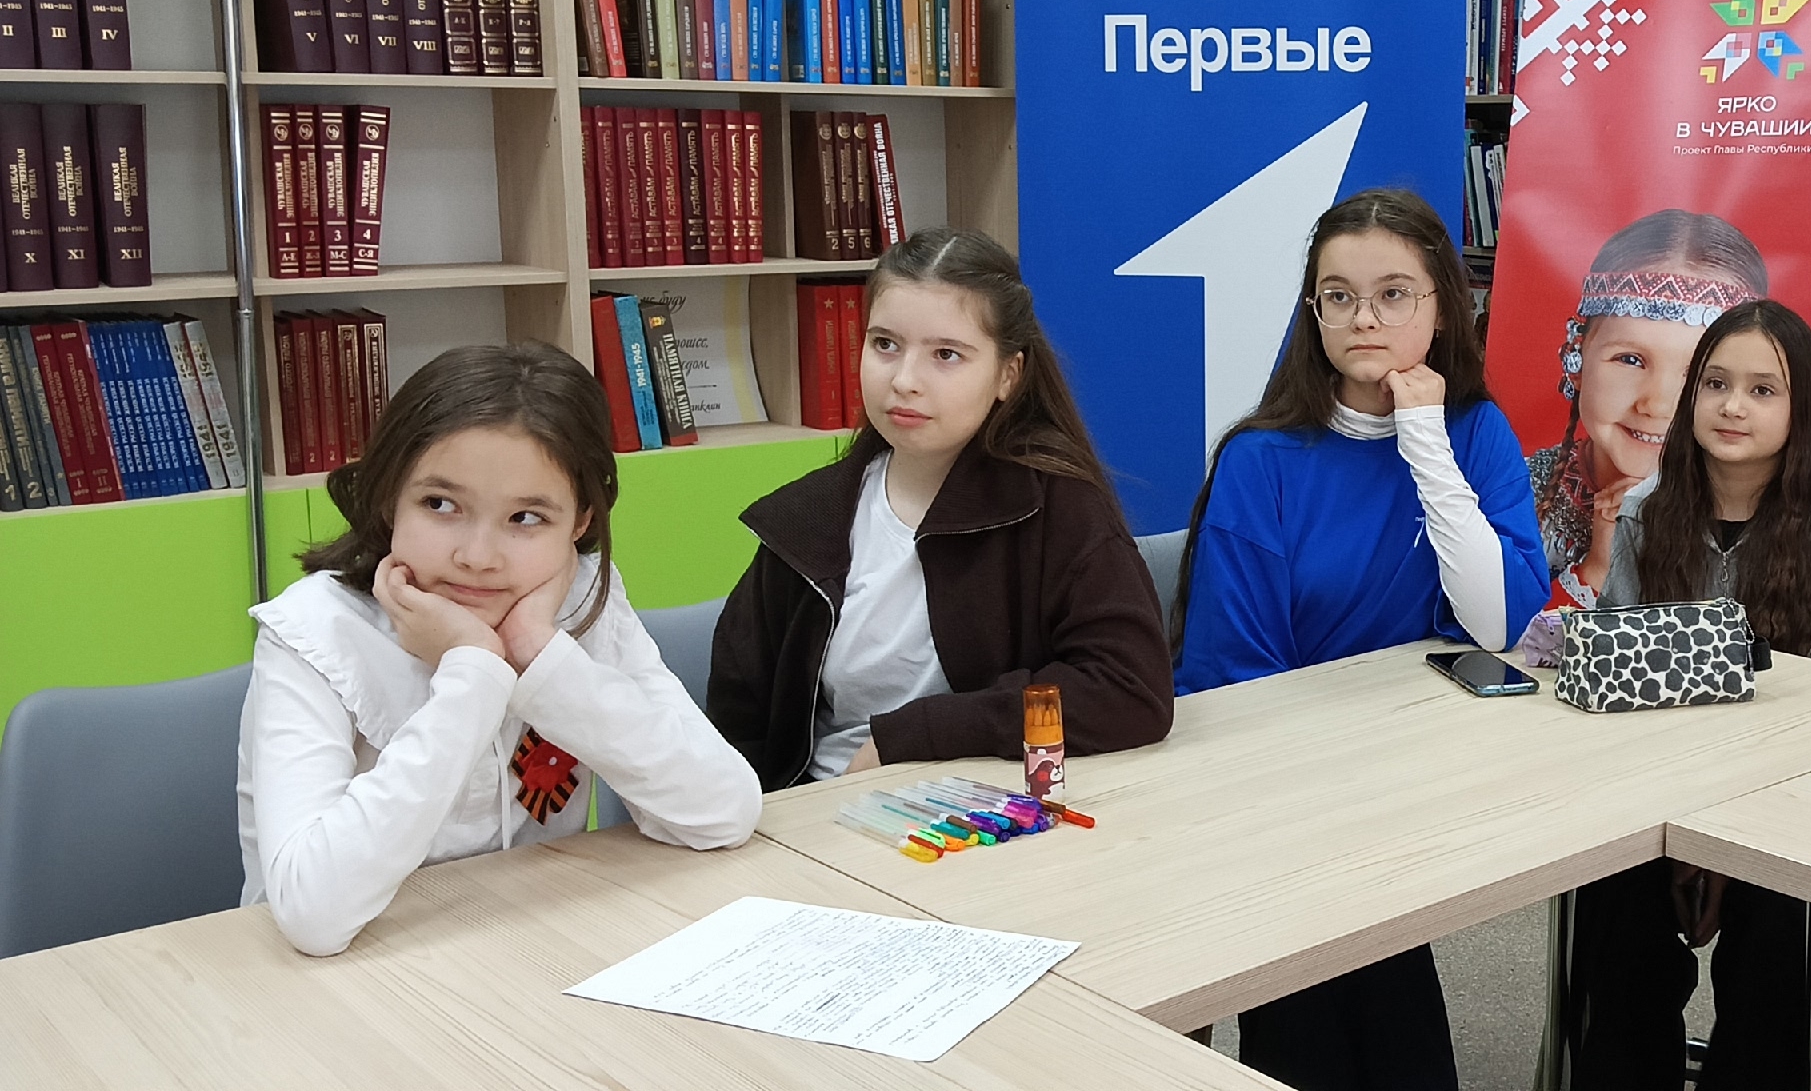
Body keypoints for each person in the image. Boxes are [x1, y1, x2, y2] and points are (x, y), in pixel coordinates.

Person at [1171, 188, 1548, 1091]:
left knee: (1379, 979)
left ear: (1442, 309)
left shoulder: (1472, 433)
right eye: (1338, 297)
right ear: (1314, 313)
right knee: (1325, 994)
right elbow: (1234, 676)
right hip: (1281, 787)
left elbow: (1498, 622)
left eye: (1392, 295)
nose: (1363, 318)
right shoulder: (1262, 459)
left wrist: (1422, 436)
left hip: (1412, 776)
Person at [238, 343, 762, 958]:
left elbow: (722, 812)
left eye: (526, 518)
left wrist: (540, 655)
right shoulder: (311, 631)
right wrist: (474, 672)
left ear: (580, 522)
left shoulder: (579, 599)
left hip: (527, 947)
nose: (478, 556)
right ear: (388, 496)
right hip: (344, 977)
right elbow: (313, 915)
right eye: (440, 505)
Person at [706, 227, 1173, 789]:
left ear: (1007, 374)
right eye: (885, 344)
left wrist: (916, 734)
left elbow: (1130, 690)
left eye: (946, 355)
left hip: (994, 809)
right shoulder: (803, 522)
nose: (904, 381)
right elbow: (735, 735)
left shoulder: (1058, 507)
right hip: (826, 806)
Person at [1560, 299, 1811, 1089]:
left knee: (1780, 924)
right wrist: (1678, 835)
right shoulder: (1647, 509)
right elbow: (1621, 684)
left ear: (1802, 410)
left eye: (1762, 390)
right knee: (1614, 898)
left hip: (1789, 796)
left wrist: (1730, 848)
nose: (1733, 406)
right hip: (1658, 789)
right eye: (1715, 384)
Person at [1526, 209, 1770, 607]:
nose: (1656, 405)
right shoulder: (1516, 494)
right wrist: (1599, 567)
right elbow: (1499, 636)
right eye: (1630, 360)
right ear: (1577, 359)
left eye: (1700, 374)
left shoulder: (1764, 516)